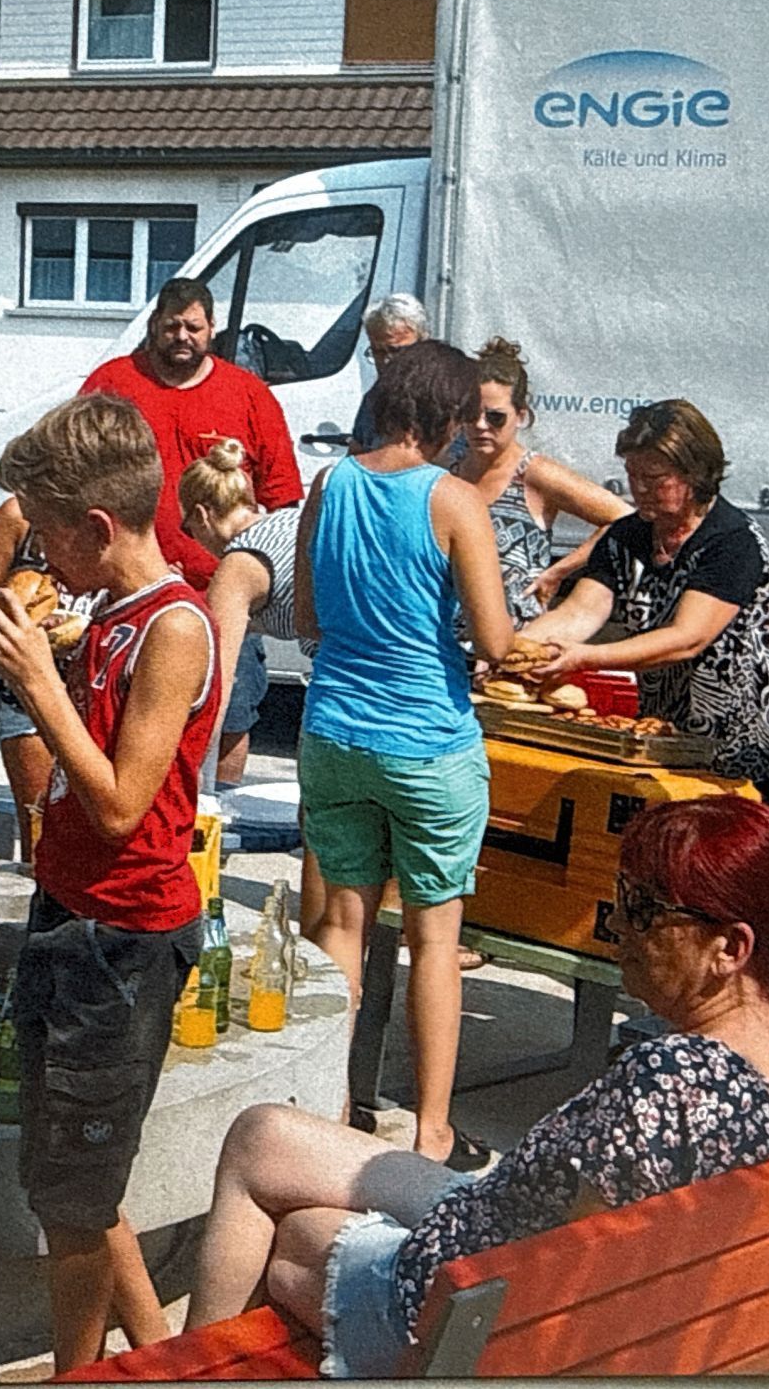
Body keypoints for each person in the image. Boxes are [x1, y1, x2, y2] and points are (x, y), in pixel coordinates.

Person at [184, 797, 769, 1378]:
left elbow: (562, 1295)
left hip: (468, 1308)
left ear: (729, 949)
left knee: (297, 1231)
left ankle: (179, 1374)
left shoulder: (671, 1085)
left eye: (642, 910)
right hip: (508, 1222)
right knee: (263, 1134)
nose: (617, 926)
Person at [0, 394, 219, 1372]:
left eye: (41, 537)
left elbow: (120, 803)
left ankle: (78, 1373)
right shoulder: (104, 612)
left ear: (96, 527)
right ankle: (159, 1350)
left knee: (72, 1203)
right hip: (65, 913)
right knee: (65, 1176)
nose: (33, 561)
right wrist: (47, 653)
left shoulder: (174, 628)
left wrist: (39, 681)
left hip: (123, 942)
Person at [295, 340, 513, 1168]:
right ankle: (431, 1130)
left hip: (335, 730)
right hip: (428, 741)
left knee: (342, 920)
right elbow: (492, 639)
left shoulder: (331, 483)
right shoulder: (455, 500)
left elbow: (309, 619)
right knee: (434, 939)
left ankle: (332, 1100)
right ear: (446, 419)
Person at [520, 399, 769, 812]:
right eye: (633, 475)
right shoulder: (625, 537)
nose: (639, 489)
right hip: (663, 735)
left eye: (654, 477)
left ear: (696, 474)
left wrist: (583, 658)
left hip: (742, 742)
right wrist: (514, 647)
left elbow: (687, 638)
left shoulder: (732, 540)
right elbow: (580, 612)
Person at [81, 278, 301, 785]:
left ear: (213, 328)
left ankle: (215, 813)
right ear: (155, 324)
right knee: (125, 711)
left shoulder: (247, 393)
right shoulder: (112, 384)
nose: (182, 336)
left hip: (225, 595)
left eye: (194, 327)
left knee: (231, 713)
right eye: (172, 325)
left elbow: (284, 498)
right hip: (133, 589)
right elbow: (74, 467)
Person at [177, 437, 324, 925]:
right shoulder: (284, 520)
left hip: (338, 685)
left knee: (322, 831)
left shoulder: (238, 565)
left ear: (201, 515)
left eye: (187, 528)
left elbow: (213, 686)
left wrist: (190, 782)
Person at [0, 495, 100, 862]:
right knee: (41, 834)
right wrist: (17, 625)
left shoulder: (114, 510)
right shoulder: (17, 515)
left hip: (100, 688)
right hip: (25, 696)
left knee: (101, 831)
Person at [451, 336, 629, 623]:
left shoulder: (534, 474)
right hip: (444, 642)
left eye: (495, 418)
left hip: (514, 643)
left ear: (520, 416)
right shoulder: (450, 470)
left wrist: (560, 571)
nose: (480, 426)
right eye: (471, 415)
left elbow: (623, 518)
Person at [352, 294, 429, 452]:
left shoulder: (448, 396)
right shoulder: (373, 399)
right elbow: (355, 455)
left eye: (396, 351)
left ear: (423, 344)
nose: (387, 361)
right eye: (379, 352)